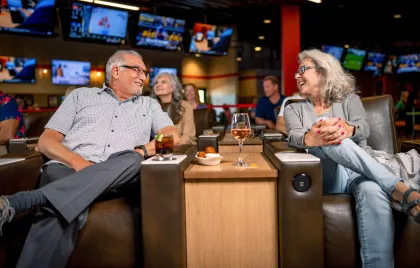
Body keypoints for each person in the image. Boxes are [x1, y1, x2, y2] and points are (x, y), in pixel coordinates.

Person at [0, 50, 180, 268]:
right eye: (138, 70)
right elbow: (46, 142)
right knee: (59, 211)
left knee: (133, 158)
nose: (144, 76)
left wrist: (143, 150)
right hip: (67, 168)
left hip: (121, 174)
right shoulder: (80, 96)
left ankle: (23, 201)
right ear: (116, 70)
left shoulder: (149, 105)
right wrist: (79, 163)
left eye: (145, 72)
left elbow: (173, 137)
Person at [284, 49, 420, 267]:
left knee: (372, 189)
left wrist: (347, 128)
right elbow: (294, 136)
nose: (296, 76)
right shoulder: (295, 108)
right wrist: (312, 137)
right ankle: (398, 188)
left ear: (323, 71)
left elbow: (363, 128)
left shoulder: (349, 100)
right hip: (329, 173)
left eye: (302, 70)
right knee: (330, 135)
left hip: (360, 170)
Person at [152, 72, 196, 145]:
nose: (158, 85)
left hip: (179, 150)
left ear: (173, 87)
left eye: (163, 82)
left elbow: (188, 136)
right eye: (156, 83)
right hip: (155, 151)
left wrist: (168, 145)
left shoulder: (185, 106)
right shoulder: (151, 108)